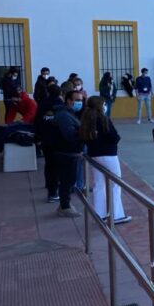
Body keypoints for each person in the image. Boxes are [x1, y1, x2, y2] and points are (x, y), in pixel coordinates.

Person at [80, 96, 131, 224]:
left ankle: (100, 214)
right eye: (103, 104)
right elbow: (114, 137)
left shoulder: (86, 120)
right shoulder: (103, 119)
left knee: (99, 184)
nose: (105, 106)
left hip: (94, 155)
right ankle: (116, 215)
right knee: (115, 184)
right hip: (109, 155)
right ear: (100, 106)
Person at [48, 89, 84, 217]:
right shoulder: (64, 115)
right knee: (67, 181)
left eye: (81, 100)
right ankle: (65, 206)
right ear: (69, 100)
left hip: (69, 152)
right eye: (77, 100)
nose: (80, 103)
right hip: (66, 153)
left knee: (68, 180)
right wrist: (83, 135)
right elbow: (70, 135)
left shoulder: (70, 113)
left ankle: (65, 204)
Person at [35, 84, 64, 203]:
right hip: (57, 140)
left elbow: (37, 121)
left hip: (45, 139)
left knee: (49, 164)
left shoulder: (43, 103)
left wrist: (38, 137)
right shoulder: (60, 105)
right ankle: (54, 191)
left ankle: (50, 188)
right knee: (57, 166)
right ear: (60, 93)